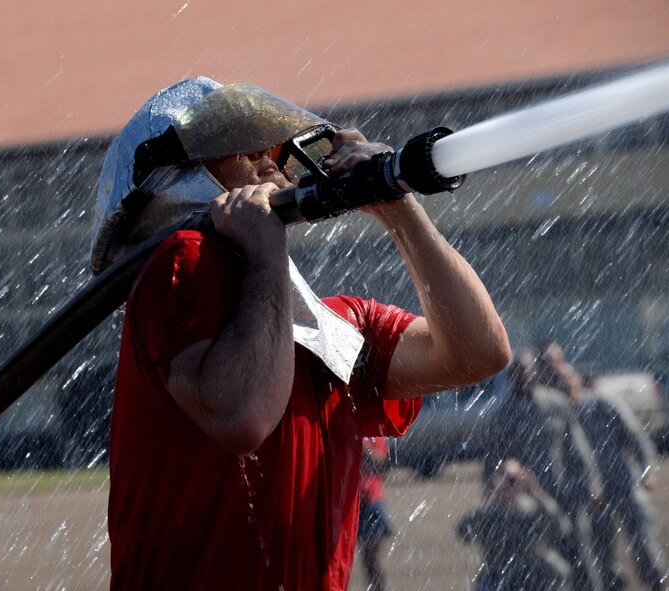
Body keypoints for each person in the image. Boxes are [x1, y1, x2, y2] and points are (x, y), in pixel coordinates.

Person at [92, 77, 511, 590]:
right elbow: (243, 417)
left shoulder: (335, 324)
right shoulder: (182, 261)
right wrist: (267, 252)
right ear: (183, 176)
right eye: (243, 146)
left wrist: (398, 208)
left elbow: (478, 353)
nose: (272, 158)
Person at [542, 343, 666, 591]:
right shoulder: (558, 416)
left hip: (624, 486)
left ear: (577, 379)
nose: (565, 385)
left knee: (643, 546)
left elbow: (636, 439)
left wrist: (646, 470)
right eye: (559, 382)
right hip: (593, 497)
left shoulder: (601, 405)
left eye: (568, 379)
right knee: (604, 556)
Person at [484, 348, 602, 591]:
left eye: (528, 370)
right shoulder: (501, 416)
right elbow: (493, 464)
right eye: (518, 372)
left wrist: (592, 483)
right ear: (510, 377)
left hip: (566, 495)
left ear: (536, 372)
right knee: (540, 569)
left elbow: (577, 446)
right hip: (531, 505)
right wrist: (494, 497)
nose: (524, 376)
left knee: (583, 562)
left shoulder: (556, 404)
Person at [457, 458, 573, 590]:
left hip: (534, 573)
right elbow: (463, 533)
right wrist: (490, 503)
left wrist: (537, 494)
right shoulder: (491, 513)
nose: (508, 485)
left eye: (512, 480)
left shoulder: (531, 507)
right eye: (503, 479)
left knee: (560, 572)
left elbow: (563, 527)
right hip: (498, 574)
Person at [357, 436, 394, 591]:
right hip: (348, 503)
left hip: (370, 502)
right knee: (337, 561)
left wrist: (363, 450)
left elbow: (383, 465)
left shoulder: (374, 433)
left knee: (372, 560)